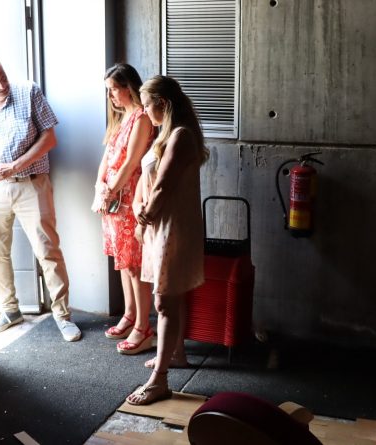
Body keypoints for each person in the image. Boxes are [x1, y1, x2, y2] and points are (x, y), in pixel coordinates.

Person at [0, 57, 81, 342]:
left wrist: (15, 166)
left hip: (31, 184)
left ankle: (63, 315)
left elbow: (50, 138)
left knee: (48, 250)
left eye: (3, 77)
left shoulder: (28, 91)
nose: (2, 85)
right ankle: (9, 310)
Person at [126, 75, 209, 405]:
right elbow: (148, 181)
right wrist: (139, 211)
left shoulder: (181, 136)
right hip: (162, 224)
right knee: (171, 297)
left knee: (164, 301)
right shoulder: (167, 134)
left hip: (172, 226)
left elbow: (162, 186)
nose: (144, 112)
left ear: (164, 103)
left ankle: (159, 381)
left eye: (147, 105)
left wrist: (143, 218)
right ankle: (176, 354)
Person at [92, 63, 156, 354]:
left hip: (129, 197)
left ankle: (144, 327)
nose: (110, 96)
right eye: (108, 90)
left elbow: (131, 162)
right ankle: (130, 315)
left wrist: (111, 191)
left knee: (134, 263)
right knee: (123, 260)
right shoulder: (122, 117)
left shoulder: (142, 118)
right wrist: (99, 186)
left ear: (128, 87)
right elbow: (107, 156)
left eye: (113, 89)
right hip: (114, 197)